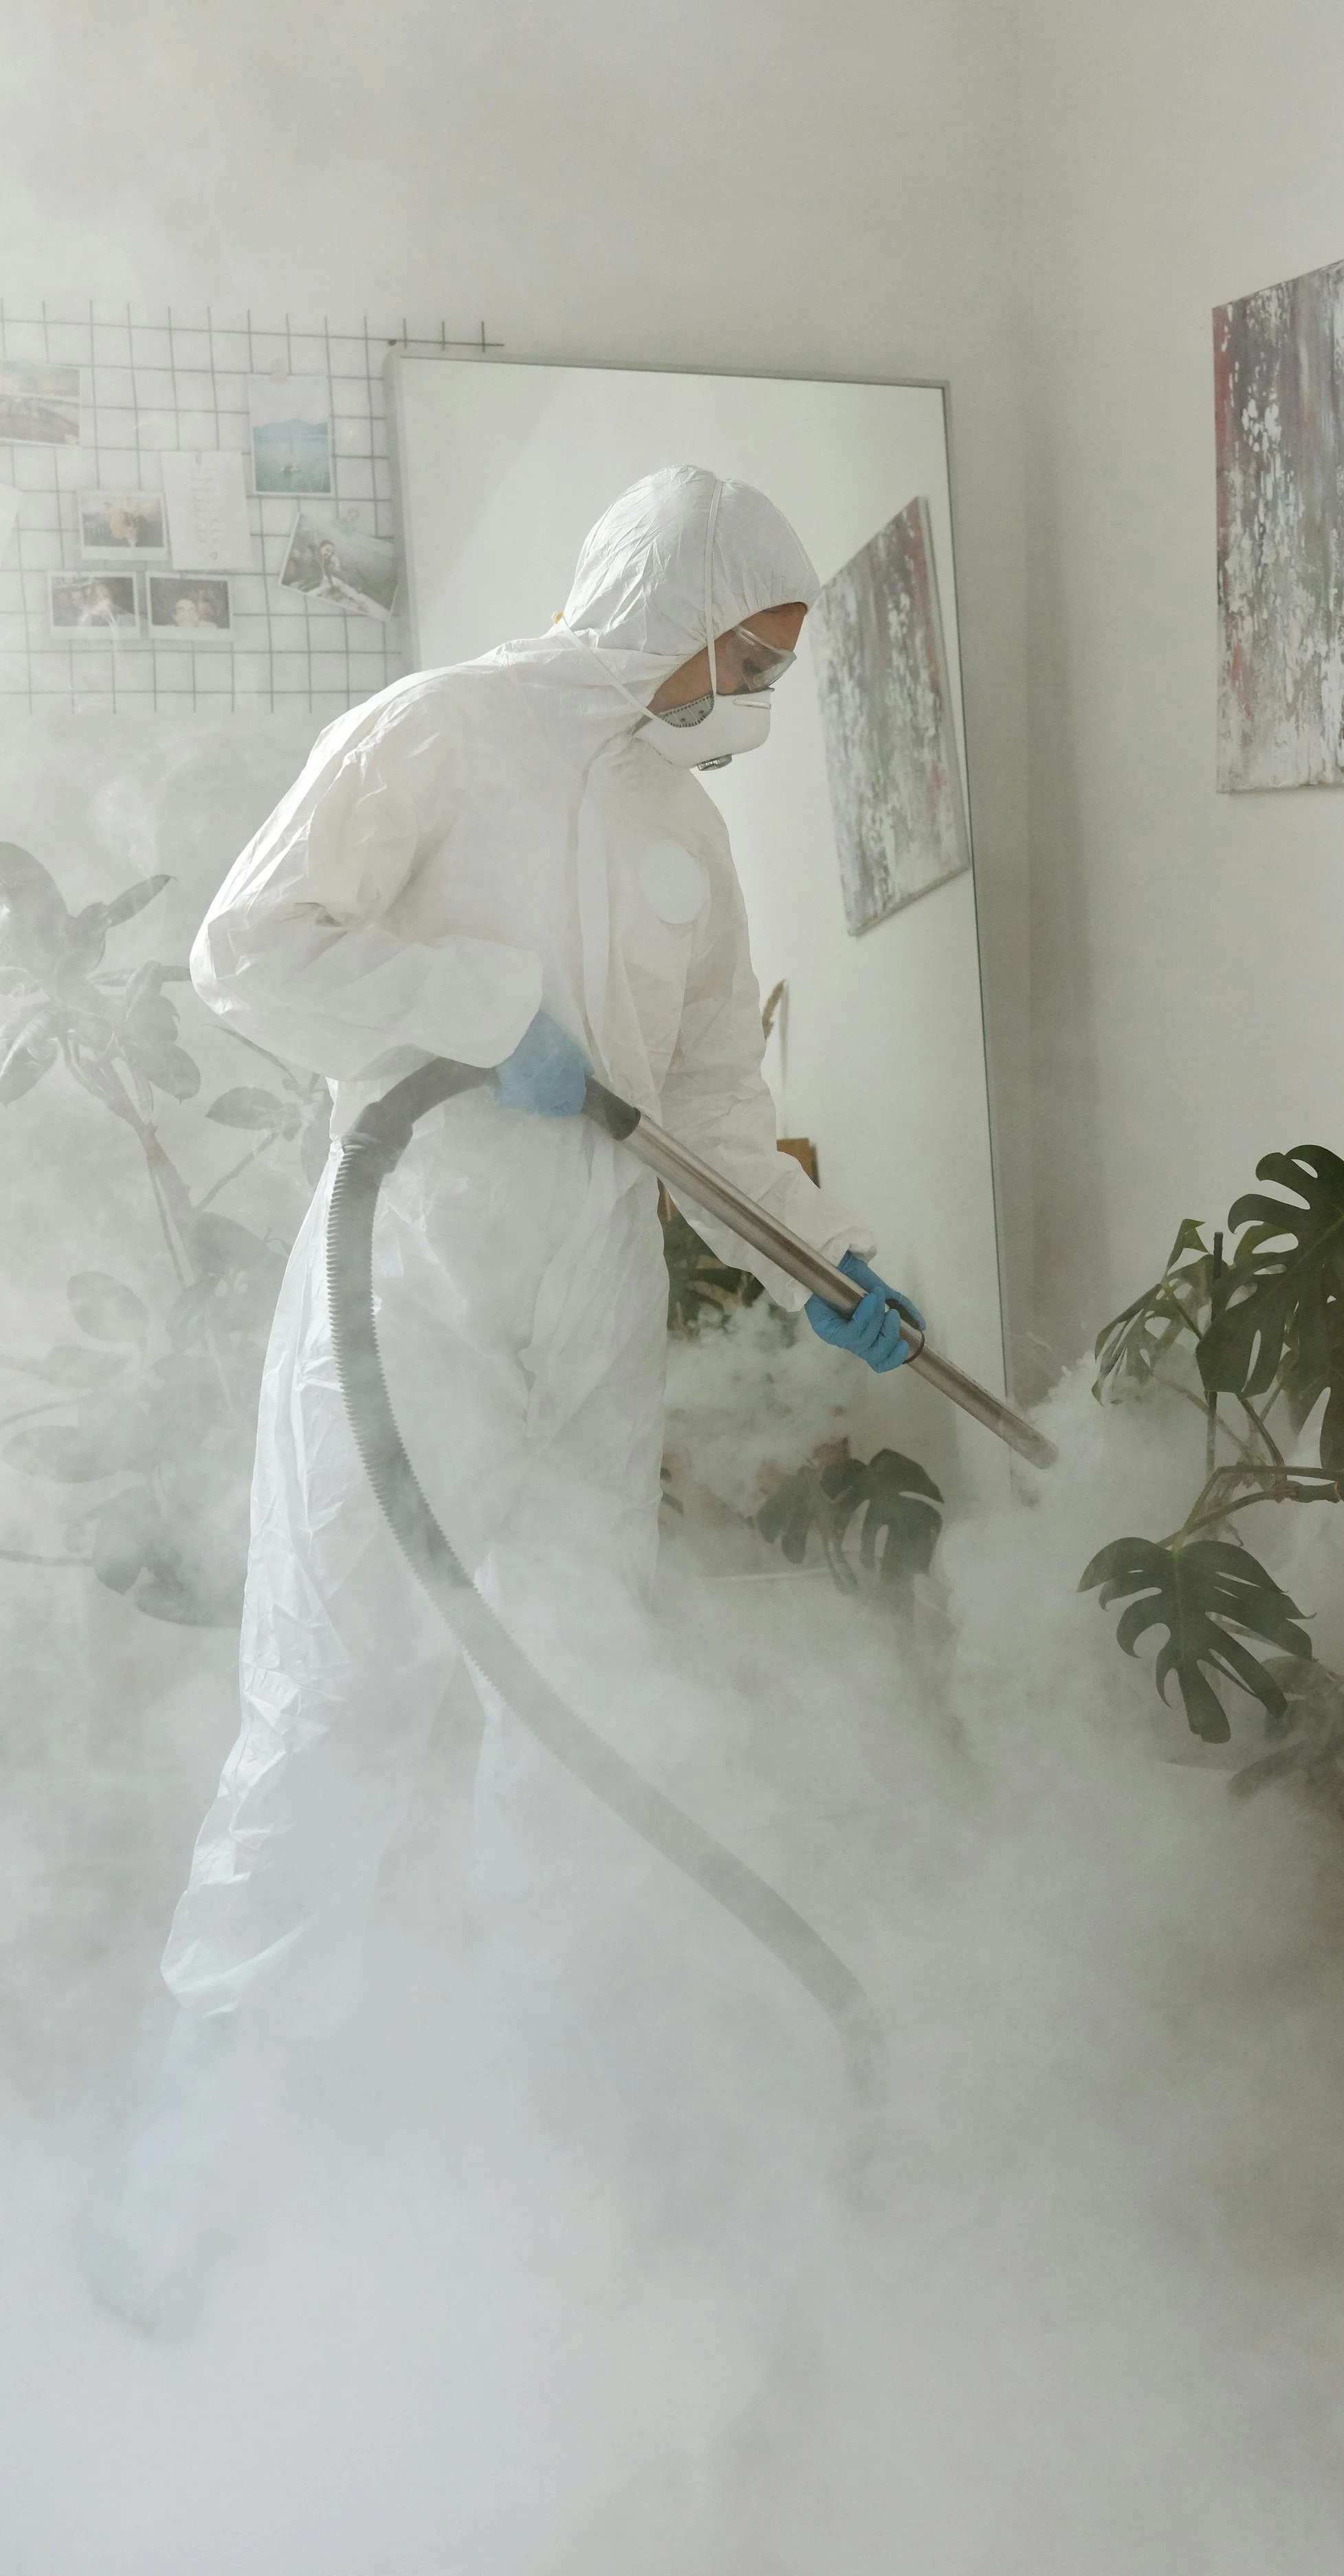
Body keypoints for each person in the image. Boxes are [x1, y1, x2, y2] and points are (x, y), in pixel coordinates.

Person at [91, 463, 920, 2329]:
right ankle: (190, 2165)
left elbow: (706, 1098)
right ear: (672, 606)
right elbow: (249, 954)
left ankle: (553, 2148)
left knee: (580, 1708)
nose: (759, 690)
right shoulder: (431, 734)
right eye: (752, 645)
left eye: (780, 659)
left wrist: (827, 1257)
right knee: (334, 1713)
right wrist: (480, 1014)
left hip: (585, 1303)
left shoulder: (679, 827)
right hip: (407, 1285)